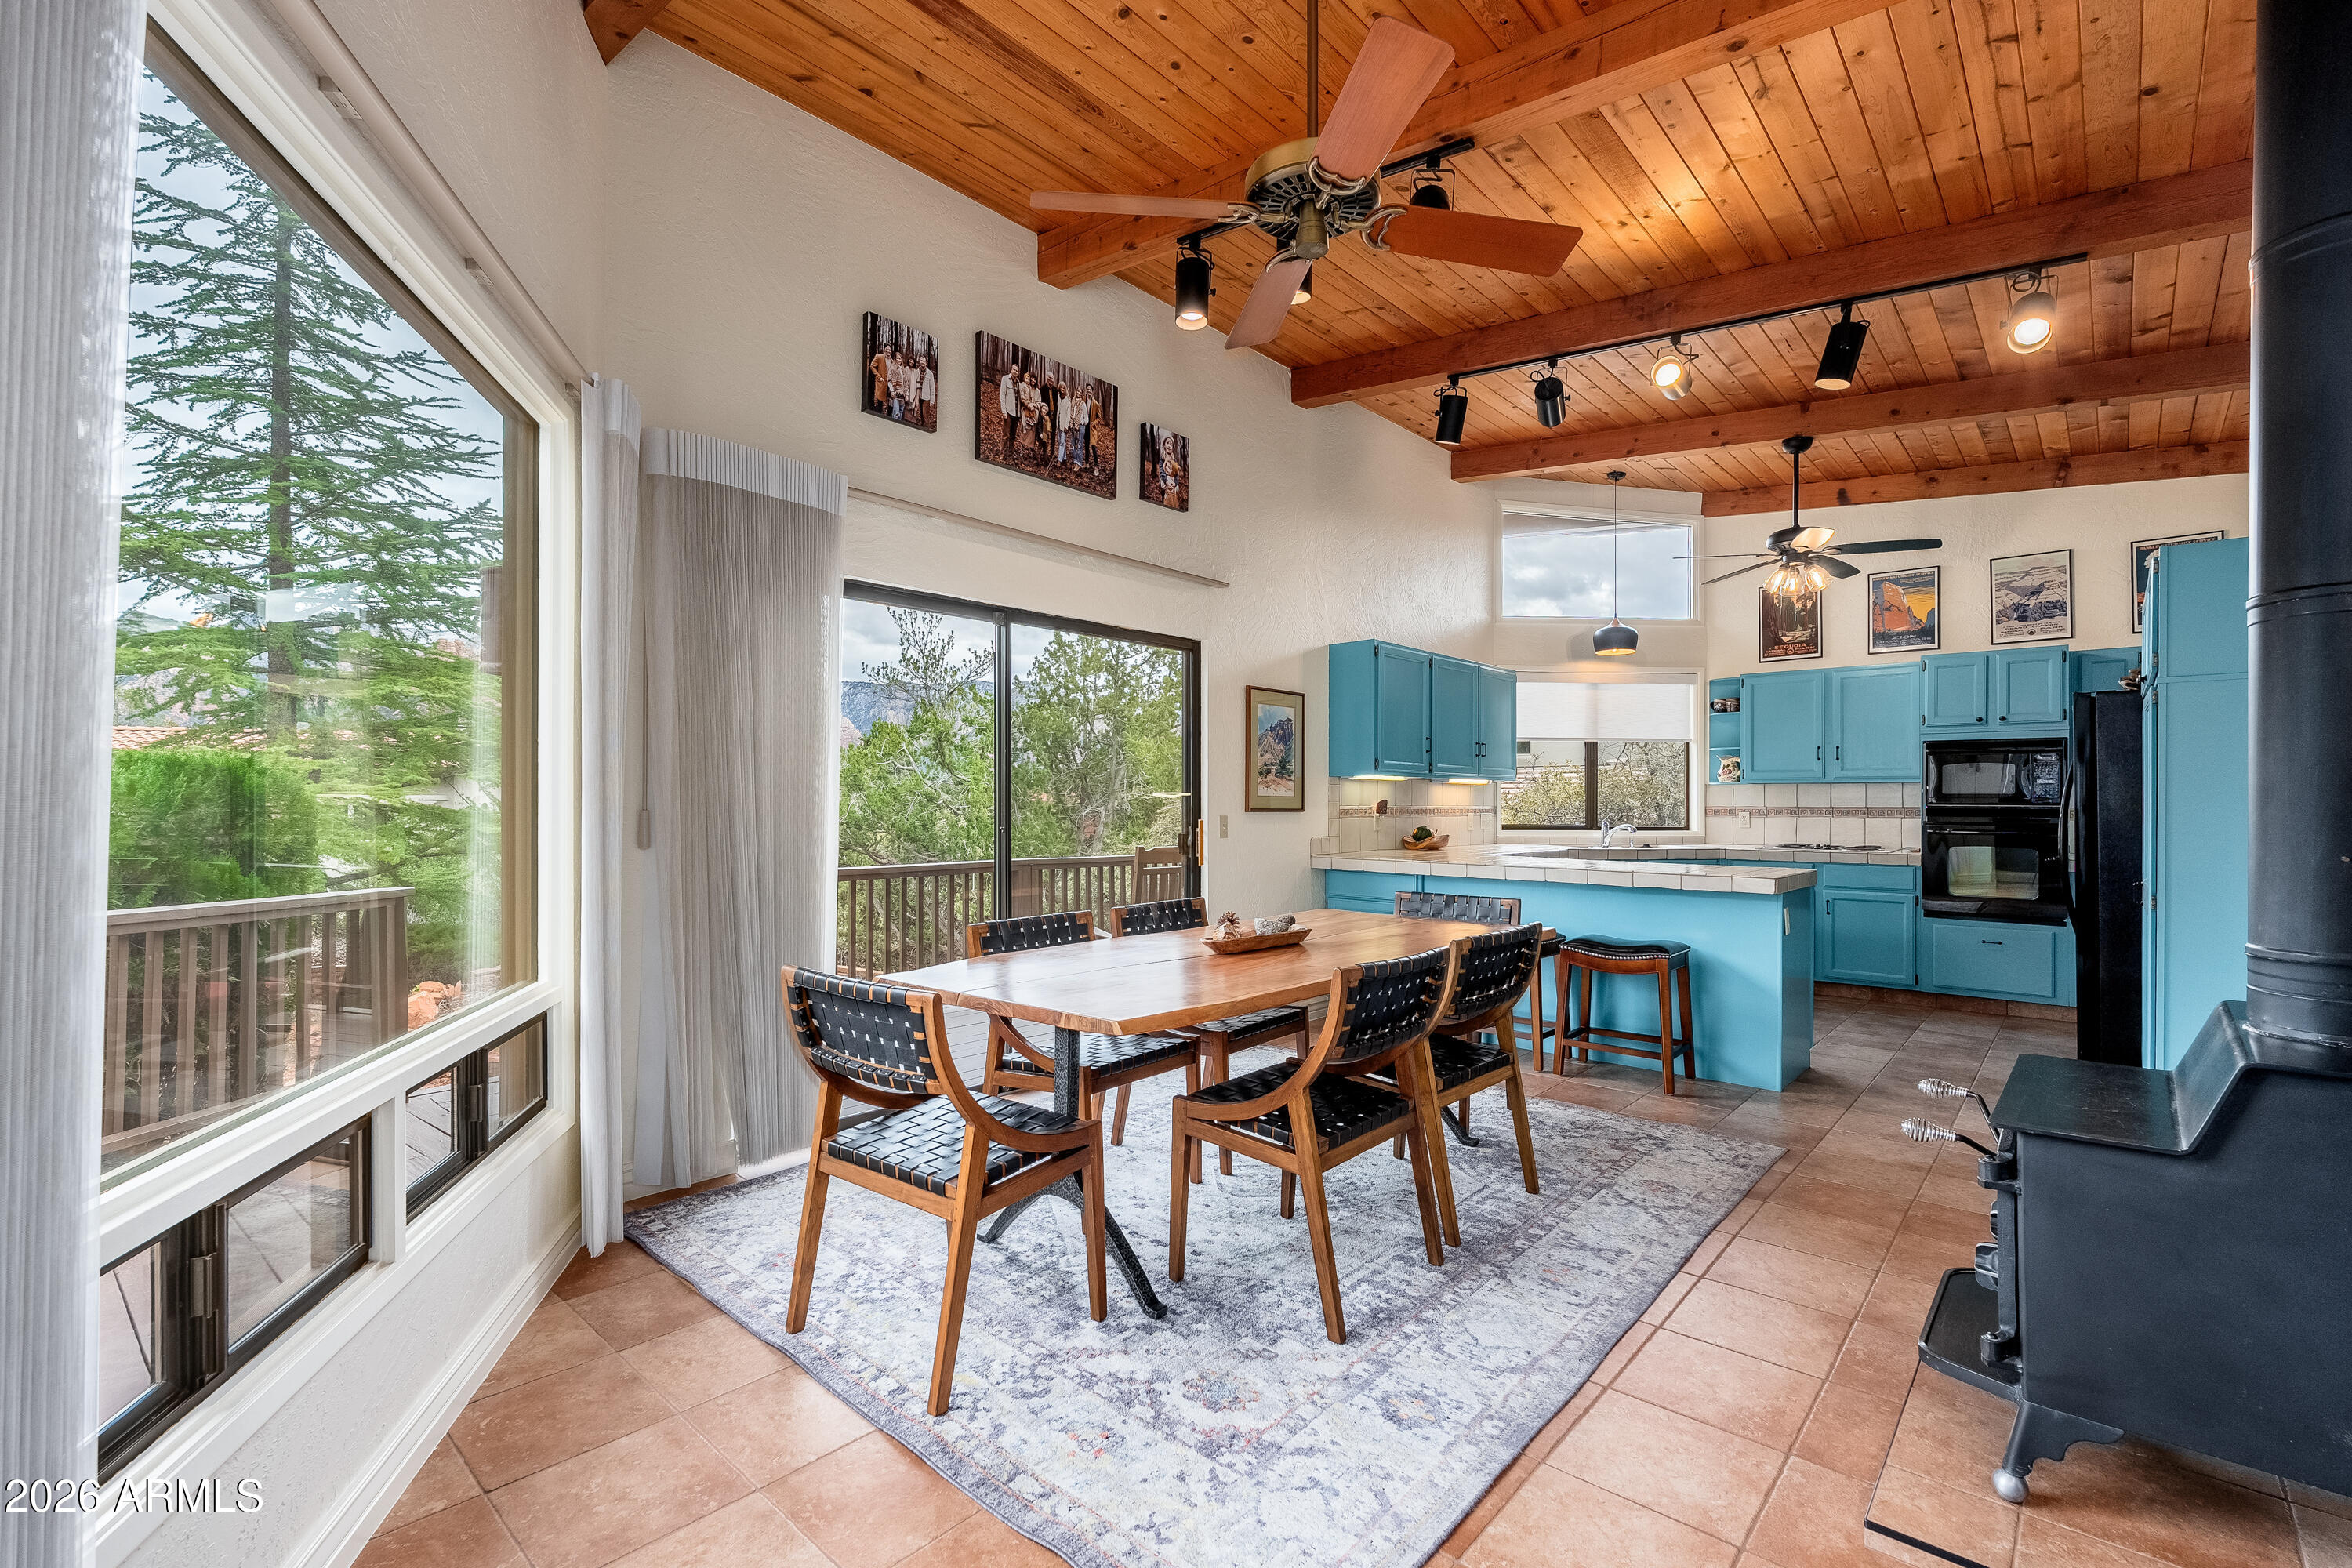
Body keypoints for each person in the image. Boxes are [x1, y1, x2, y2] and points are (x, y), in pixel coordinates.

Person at [997, 358, 1018, 451]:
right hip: (1008, 411)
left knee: (1013, 434)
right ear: (1011, 370)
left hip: (1016, 413)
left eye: (1017, 371)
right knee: (1006, 434)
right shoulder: (1005, 379)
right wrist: (1003, 411)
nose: (1015, 372)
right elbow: (1002, 395)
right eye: (1014, 370)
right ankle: (1004, 451)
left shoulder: (1019, 383)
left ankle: (1010, 451)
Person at [918, 347, 936, 429]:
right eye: (921, 360)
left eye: (923, 361)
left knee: (926, 417)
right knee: (921, 416)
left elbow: (932, 388)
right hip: (919, 397)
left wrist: (932, 400)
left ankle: (926, 430)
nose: (922, 362)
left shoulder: (930, 374)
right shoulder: (917, 371)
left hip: (927, 398)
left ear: (926, 363)